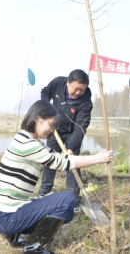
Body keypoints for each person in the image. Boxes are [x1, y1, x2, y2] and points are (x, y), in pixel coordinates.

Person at [0, 100, 113, 254]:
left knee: (67, 212)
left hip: (2, 213)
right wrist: (97, 158)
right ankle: (32, 248)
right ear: (38, 118)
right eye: (51, 125)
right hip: (5, 217)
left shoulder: (24, 139)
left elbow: (55, 156)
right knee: (68, 199)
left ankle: (13, 236)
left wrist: (65, 156)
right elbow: (61, 163)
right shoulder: (28, 145)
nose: (53, 130)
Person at [36, 69, 93, 212]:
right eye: (76, 89)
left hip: (72, 132)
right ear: (68, 83)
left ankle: (73, 197)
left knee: (72, 163)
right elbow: (45, 92)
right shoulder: (57, 83)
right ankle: (44, 191)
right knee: (50, 159)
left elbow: (81, 127)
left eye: (82, 89)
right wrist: (45, 107)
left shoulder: (86, 102)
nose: (78, 92)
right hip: (54, 130)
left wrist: (71, 147)